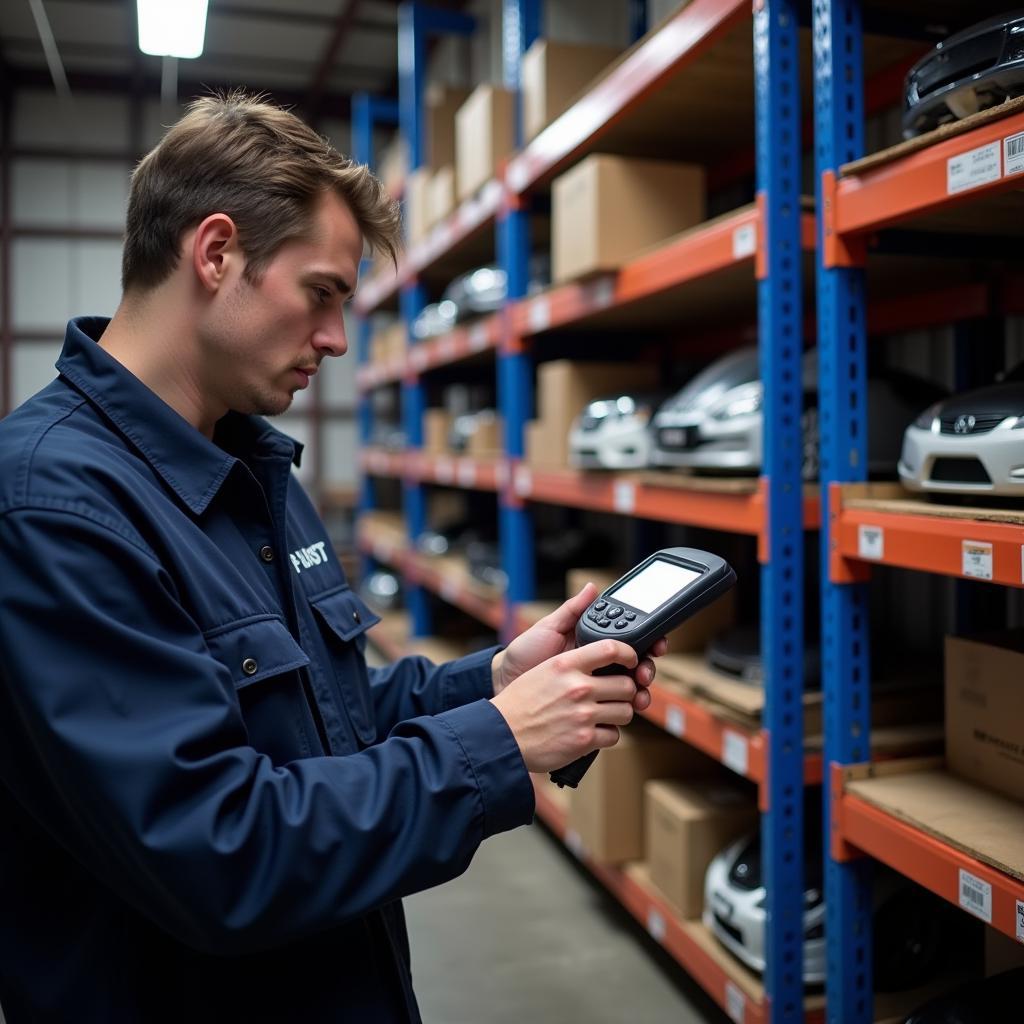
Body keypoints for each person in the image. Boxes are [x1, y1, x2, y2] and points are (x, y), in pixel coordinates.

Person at [0, 91, 666, 1023]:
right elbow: (218, 848)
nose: (338, 341)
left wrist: (497, 680)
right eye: (322, 293)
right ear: (217, 252)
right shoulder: (52, 507)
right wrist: (502, 743)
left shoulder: (252, 467)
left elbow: (323, 716)